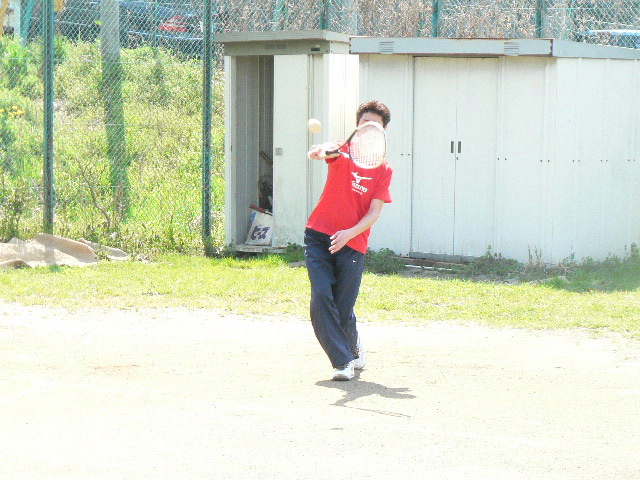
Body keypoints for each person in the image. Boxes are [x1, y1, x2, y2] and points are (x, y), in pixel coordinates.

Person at [304, 100, 393, 381]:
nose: (369, 127)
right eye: (365, 122)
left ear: (383, 131)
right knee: (321, 297)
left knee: (343, 309)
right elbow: (324, 152)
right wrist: (320, 151)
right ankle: (342, 362)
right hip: (319, 236)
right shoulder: (341, 150)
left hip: (353, 244)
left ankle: (353, 349)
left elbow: (374, 212)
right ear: (358, 126)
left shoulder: (384, 170)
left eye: (376, 124)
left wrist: (348, 233)